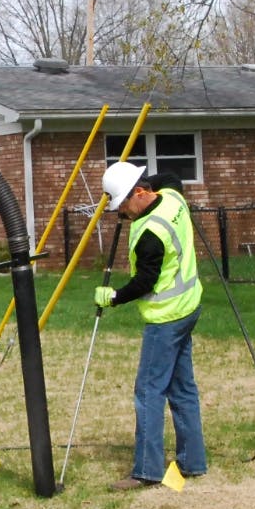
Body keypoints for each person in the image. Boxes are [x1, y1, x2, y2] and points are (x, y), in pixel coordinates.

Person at [95, 161, 207, 490]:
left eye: (125, 205)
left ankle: (146, 470)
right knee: (182, 388)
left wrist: (113, 297)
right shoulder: (172, 197)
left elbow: (145, 282)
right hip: (190, 307)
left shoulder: (150, 235)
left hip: (167, 317)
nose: (124, 213)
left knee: (148, 391)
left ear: (141, 193)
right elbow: (169, 176)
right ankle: (193, 462)